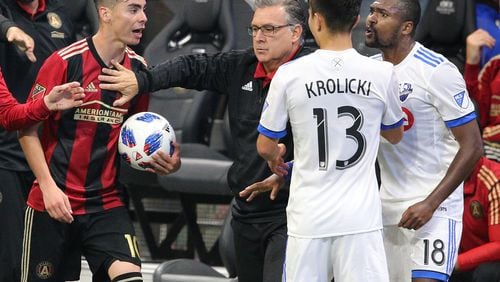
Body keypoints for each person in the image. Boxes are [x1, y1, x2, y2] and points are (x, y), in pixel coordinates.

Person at [98, 1, 309, 281]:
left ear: (295, 33)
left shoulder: (313, 73)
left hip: (290, 213)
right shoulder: (242, 66)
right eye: (255, 28)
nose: (259, 37)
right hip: (246, 211)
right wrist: (142, 81)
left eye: (269, 29)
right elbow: (191, 67)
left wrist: (292, 170)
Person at [17, 0, 179, 281]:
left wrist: (164, 161)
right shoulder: (64, 62)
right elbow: (27, 129)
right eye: (133, 9)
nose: (143, 18)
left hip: (107, 205)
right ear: (105, 14)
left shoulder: (139, 71)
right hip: (53, 202)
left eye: (144, 9)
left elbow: (137, 136)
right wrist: (47, 186)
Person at [256, 0, 403, 281]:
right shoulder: (383, 73)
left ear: (316, 20)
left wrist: (276, 158)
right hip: (360, 220)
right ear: (356, 21)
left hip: (309, 218)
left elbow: (264, 146)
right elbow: (395, 135)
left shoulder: (289, 74)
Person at [365, 0, 483, 281]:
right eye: (371, 11)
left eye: (382, 14)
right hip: (386, 207)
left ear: (406, 28)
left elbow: (473, 146)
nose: (370, 19)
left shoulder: (436, 71)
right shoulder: (367, 72)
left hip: (435, 208)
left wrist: (430, 203)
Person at [448, 156, 500, 282]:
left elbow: (498, 245)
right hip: (464, 257)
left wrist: (455, 262)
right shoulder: (437, 175)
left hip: (490, 262)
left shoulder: (494, 180)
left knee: (486, 274)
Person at [464, 28, 499, 162]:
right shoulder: (495, 66)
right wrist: (472, 63)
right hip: (489, 149)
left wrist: (487, 134)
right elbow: (474, 110)